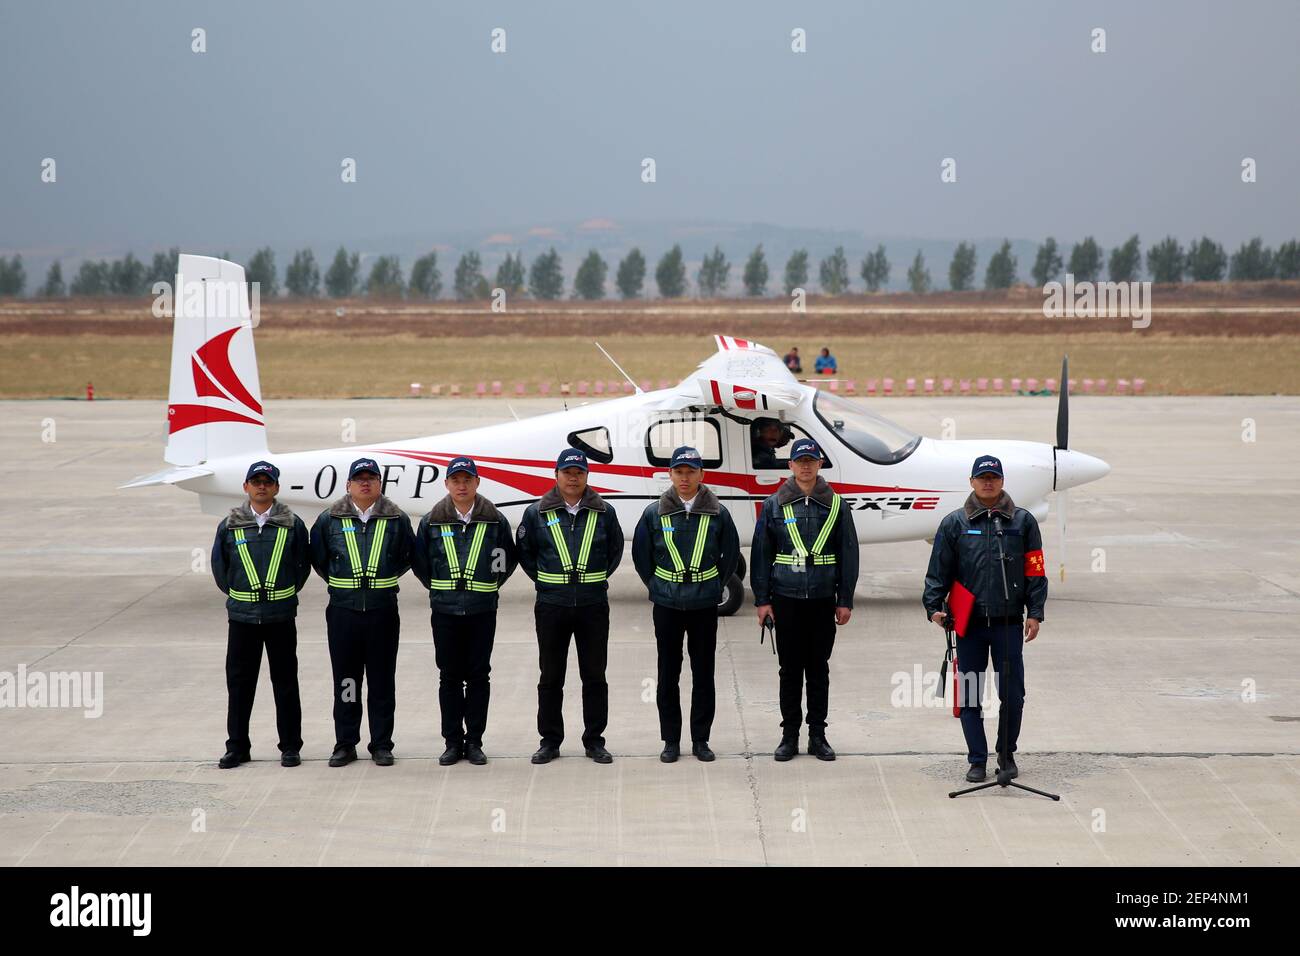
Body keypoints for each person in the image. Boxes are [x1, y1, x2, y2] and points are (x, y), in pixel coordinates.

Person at [923, 455, 1047, 783]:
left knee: (1013, 695)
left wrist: (1035, 612)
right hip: (970, 624)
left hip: (1008, 624)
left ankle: (1006, 755)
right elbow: (938, 570)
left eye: (993, 477)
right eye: (982, 477)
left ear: (1002, 481)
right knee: (969, 694)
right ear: (972, 482)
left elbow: (1035, 570)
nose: (988, 482)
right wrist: (933, 606)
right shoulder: (954, 523)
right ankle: (977, 759)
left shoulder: (1023, 522)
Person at [751, 439, 859, 761]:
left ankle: (818, 736)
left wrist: (845, 599)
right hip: (787, 599)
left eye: (811, 460)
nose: (806, 466)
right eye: (800, 461)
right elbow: (761, 555)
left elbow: (848, 555)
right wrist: (762, 600)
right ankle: (789, 736)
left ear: (820, 464)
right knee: (789, 670)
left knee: (818, 669)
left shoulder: (837, 506)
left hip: (823, 600)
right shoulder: (774, 505)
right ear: (791, 466)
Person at [631, 446, 740, 762]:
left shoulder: (719, 513)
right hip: (667, 604)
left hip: (704, 604)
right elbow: (642, 556)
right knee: (668, 673)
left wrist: (714, 586)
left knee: (704, 673)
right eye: (679, 471)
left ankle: (701, 740)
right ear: (670, 475)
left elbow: (730, 554)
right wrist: (657, 587)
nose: (684, 477)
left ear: (701, 475)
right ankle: (670, 740)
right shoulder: (655, 513)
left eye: (691, 471)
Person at [516, 448, 624, 764]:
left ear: (586, 476)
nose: (573, 478)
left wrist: (591, 580)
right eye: (567, 473)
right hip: (552, 605)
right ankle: (550, 741)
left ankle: (594, 741)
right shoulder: (536, 513)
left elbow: (614, 552)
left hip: (592, 604)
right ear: (557, 475)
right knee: (551, 676)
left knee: (594, 675)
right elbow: (526, 553)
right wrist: (550, 582)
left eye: (578, 473)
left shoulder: (605, 512)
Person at [310, 457, 416, 768]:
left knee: (382, 680)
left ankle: (381, 744)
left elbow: (407, 555)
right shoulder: (329, 520)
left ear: (380, 484)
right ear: (349, 485)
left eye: (371, 478)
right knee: (346, 681)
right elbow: (319, 559)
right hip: (344, 612)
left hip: (383, 611)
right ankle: (345, 743)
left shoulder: (397, 519)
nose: (365, 483)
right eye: (359, 478)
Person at [411, 456, 517, 766]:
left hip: (482, 609)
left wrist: (487, 584)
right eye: (456, 480)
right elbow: (422, 563)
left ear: (476, 483)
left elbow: (505, 560)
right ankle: (452, 741)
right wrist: (443, 589)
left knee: (479, 676)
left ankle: (475, 742)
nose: (461, 485)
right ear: (446, 484)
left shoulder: (495, 520)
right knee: (449, 677)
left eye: (467, 479)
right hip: (445, 610)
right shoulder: (431, 521)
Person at [211, 461, 312, 769]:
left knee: (285, 683)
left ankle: (290, 746)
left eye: (267, 482)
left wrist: (282, 594)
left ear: (276, 488)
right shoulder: (229, 525)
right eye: (256, 481)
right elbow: (220, 568)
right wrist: (241, 595)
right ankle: (237, 746)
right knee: (240, 684)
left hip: (280, 616)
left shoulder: (292, 524)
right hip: (242, 618)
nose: (262, 486)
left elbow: (302, 566)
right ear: (246, 487)